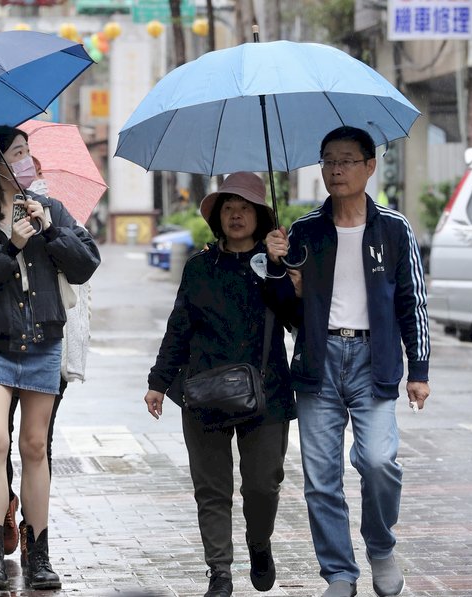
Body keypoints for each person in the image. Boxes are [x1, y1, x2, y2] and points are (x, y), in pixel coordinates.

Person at [270, 126, 430, 597]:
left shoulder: (394, 229)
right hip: (318, 361)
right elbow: (285, 311)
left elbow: (412, 302)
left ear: (369, 166)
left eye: (346, 160)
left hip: (372, 360)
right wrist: (279, 267)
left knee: (379, 461)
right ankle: (339, 574)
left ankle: (380, 547)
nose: (335, 169)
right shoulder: (302, 231)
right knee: (321, 478)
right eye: (327, 161)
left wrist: (418, 370)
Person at [0, 126, 100, 591]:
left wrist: (50, 231)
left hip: (43, 343)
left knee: (35, 447)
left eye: (29, 152)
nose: (28, 160)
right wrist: (9, 244)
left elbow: (86, 262)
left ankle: (39, 555)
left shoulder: (49, 208)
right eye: (18, 153)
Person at [143, 172, 299, 597]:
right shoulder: (199, 268)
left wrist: (280, 267)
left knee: (263, 484)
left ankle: (259, 543)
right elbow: (178, 328)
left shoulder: (275, 265)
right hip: (204, 393)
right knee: (211, 489)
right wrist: (158, 382)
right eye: (228, 207)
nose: (235, 214)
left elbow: (296, 319)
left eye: (245, 207)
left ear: (261, 215)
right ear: (217, 217)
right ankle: (220, 573)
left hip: (266, 393)